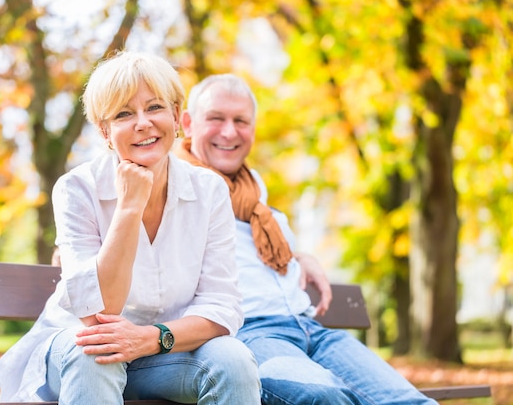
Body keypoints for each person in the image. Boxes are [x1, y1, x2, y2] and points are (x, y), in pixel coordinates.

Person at [0, 53, 261, 405]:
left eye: (154, 108)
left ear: (177, 117)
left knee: (233, 359)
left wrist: (152, 338)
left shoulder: (209, 191)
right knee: (97, 350)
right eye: (123, 114)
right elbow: (97, 312)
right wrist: (129, 207)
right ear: (105, 132)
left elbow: (222, 306)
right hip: (76, 356)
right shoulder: (77, 189)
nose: (142, 123)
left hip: (162, 357)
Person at [176, 73, 438, 405]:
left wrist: (301, 257)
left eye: (240, 121)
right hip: (252, 334)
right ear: (187, 123)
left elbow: (260, 256)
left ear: (253, 129)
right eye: (216, 118)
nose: (229, 132)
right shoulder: (176, 192)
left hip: (312, 328)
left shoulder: (257, 202)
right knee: (324, 399)